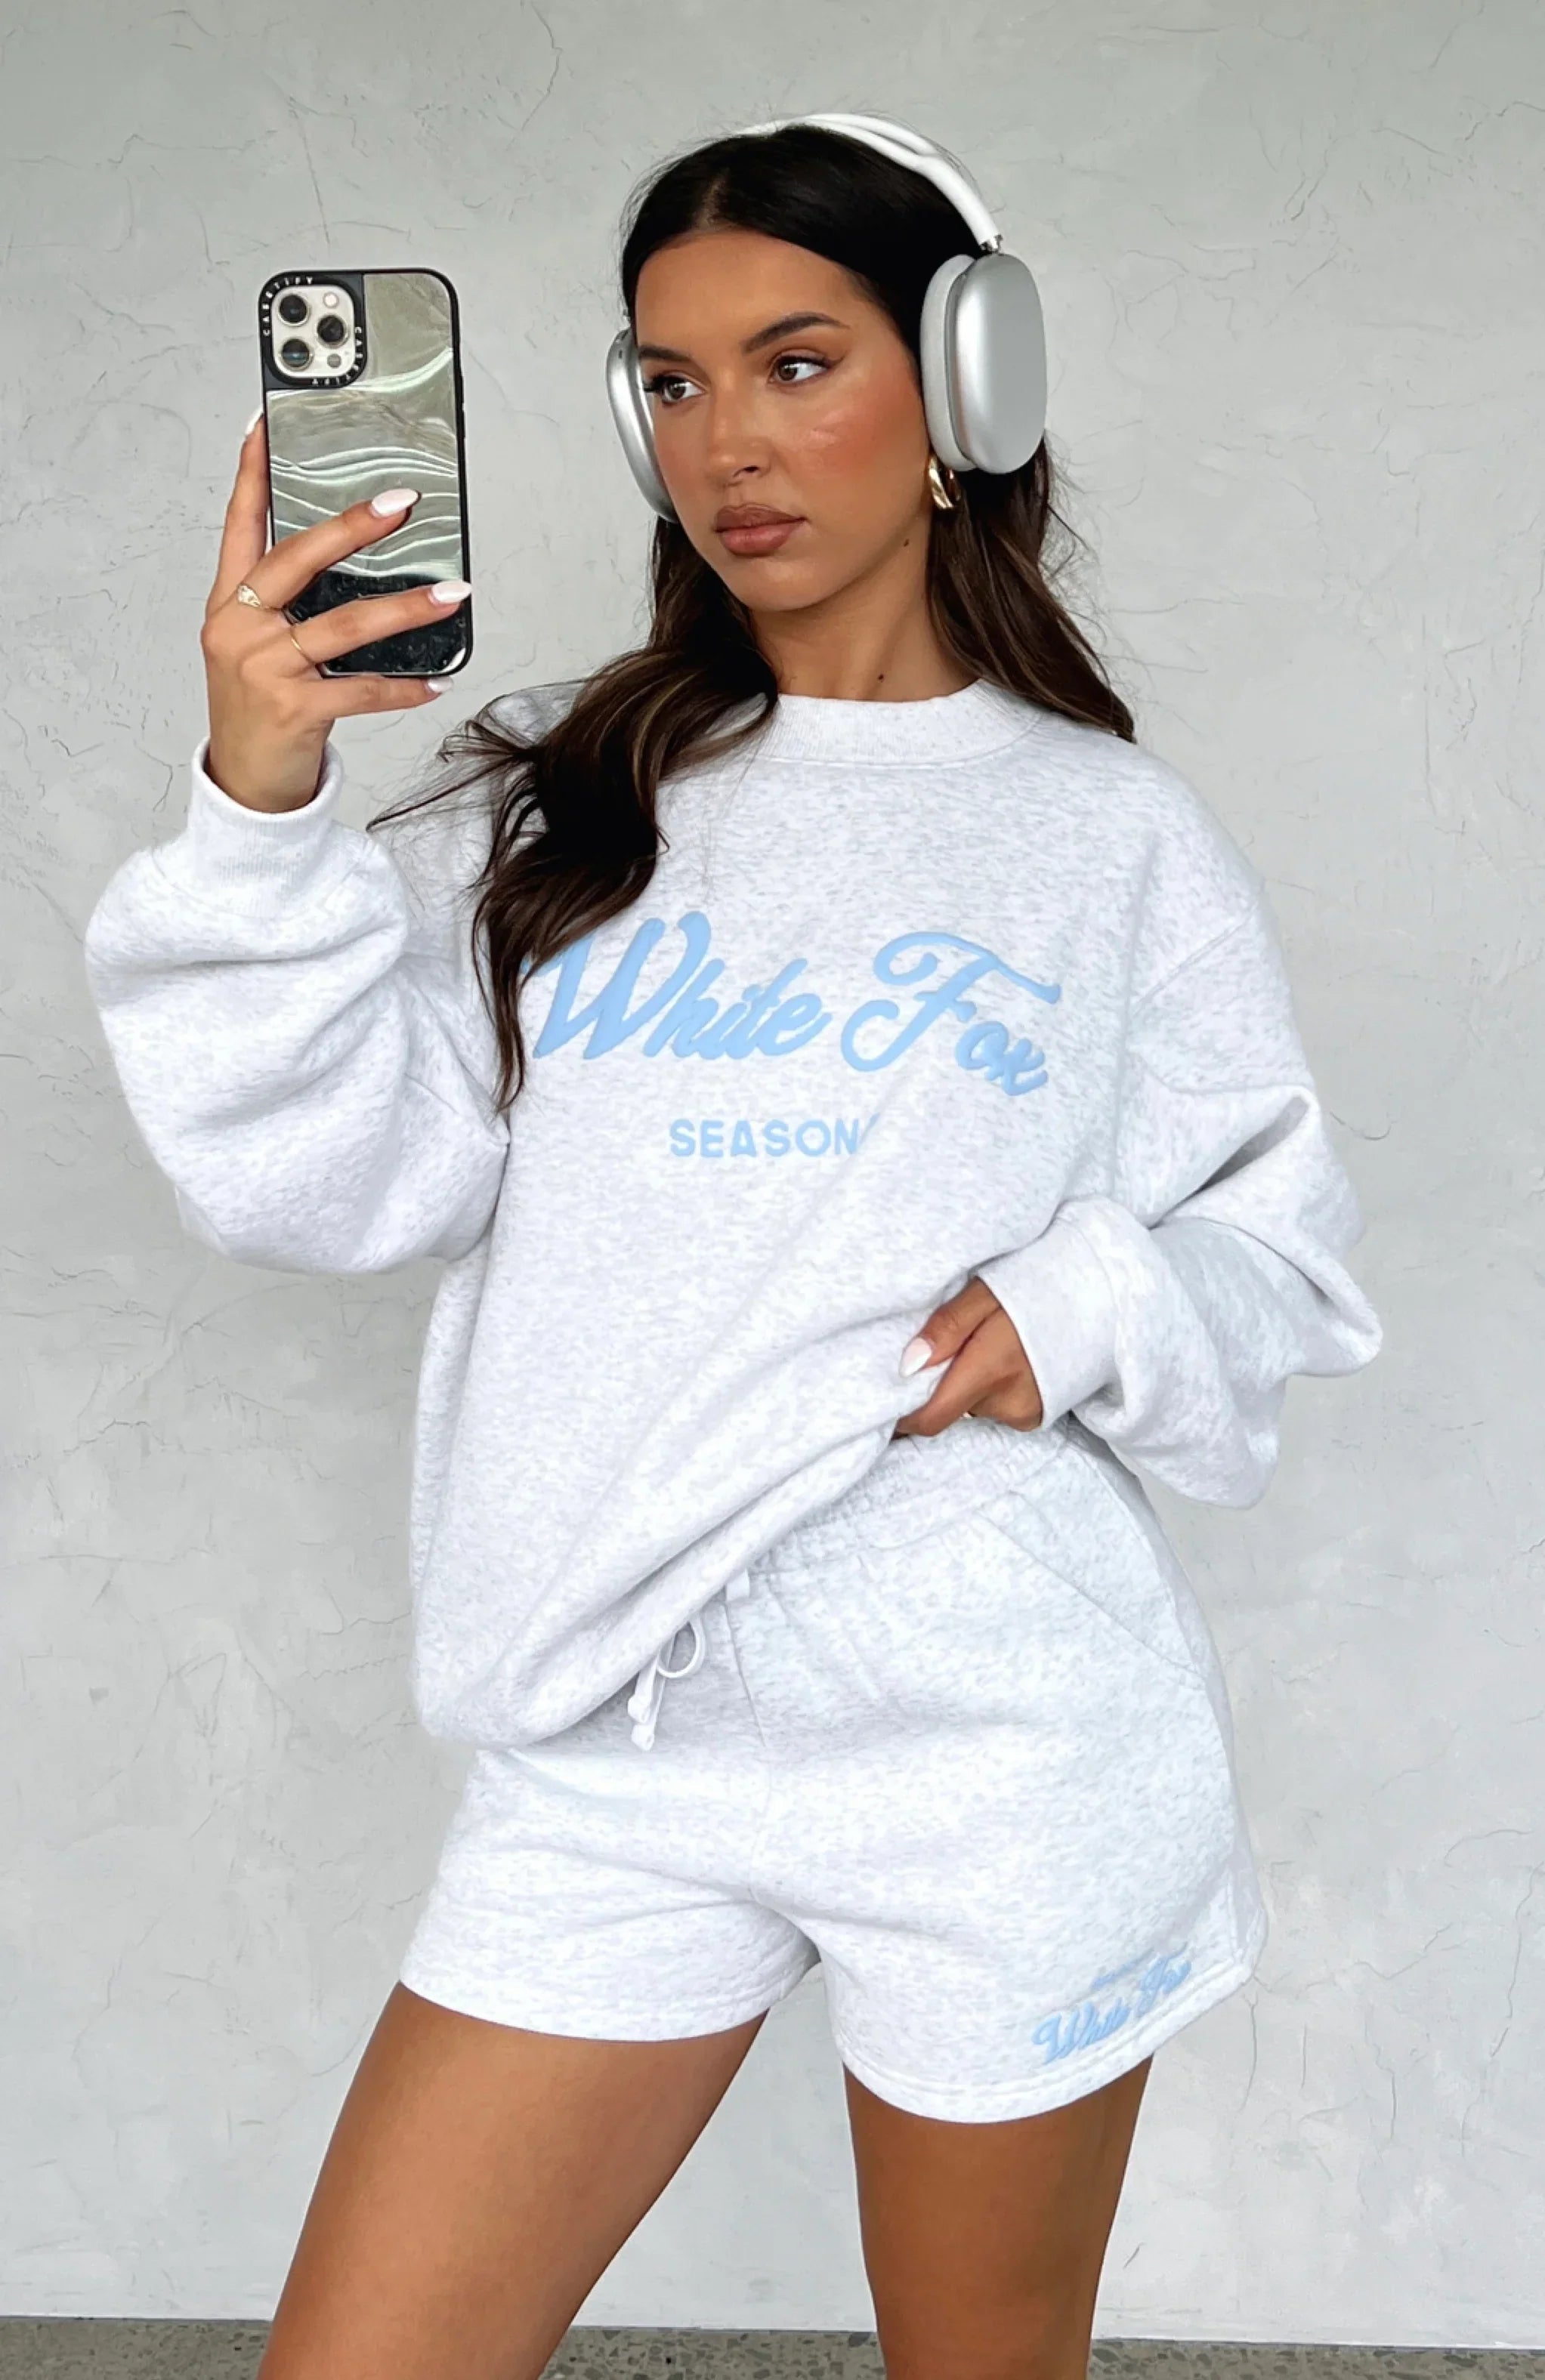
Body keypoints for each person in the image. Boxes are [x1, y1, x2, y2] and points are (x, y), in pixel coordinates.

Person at [83, 113, 1382, 2380]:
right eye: (673, 384)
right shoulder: (564, 800)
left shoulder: (1110, 838)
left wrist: (1089, 1300)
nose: (727, 445)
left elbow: (1276, 1251)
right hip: (615, 1741)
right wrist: (262, 798)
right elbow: (325, 1184)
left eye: (796, 363)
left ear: (963, 383)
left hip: (996, 1748)